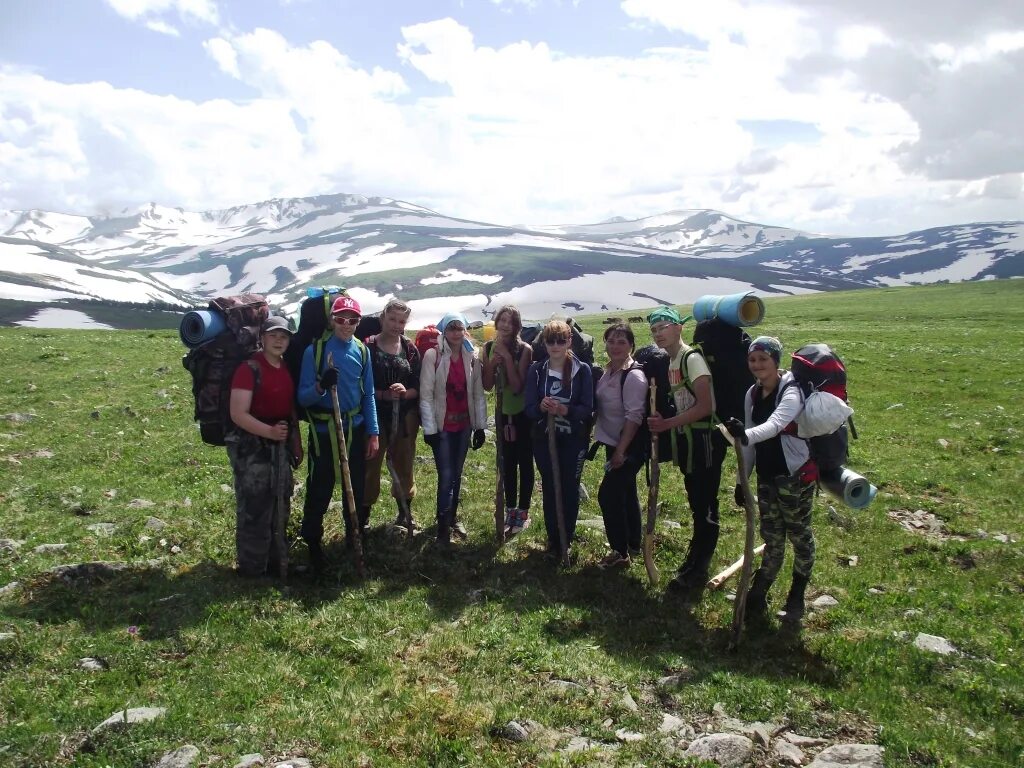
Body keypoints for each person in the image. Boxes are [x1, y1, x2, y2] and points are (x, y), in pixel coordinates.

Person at [725, 336, 816, 624]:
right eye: (753, 360)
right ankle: (758, 593)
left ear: (776, 361)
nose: (757, 365)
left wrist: (743, 435)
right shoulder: (752, 393)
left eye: (763, 359)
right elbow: (749, 441)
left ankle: (796, 598)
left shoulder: (792, 391)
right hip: (768, 475)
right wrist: (743, 481)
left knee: (800, 535)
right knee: (772, 536)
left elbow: (776, 424)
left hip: (794, 475)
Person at [646, 306, 727, 596]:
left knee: (705, 502)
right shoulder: (672, 361)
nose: (658, 333)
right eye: (654, 329)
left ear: (679, 327)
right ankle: (696, 559)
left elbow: (706, 407)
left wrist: (667, 423)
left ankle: (700, 565)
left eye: (664, 326)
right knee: (696, 499)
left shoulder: (691, 359)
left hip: (705, 441)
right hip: (690, 441)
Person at [297, 295, 379, 574]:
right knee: (320, 486)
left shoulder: (362, 351)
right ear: (332, 320)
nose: (346, 324)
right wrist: (321, 385)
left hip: (354, 430)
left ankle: (352, 536)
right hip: (323, 432)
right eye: (341, 319)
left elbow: (368, 394)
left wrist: (373, 431)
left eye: (352, 320)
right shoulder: (316, 352)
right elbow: (303, 397)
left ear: (358, 322)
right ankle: (312, 542)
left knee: (354, 486)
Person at [226, 316, 303, 577]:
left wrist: (295, 442)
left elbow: (290, 409)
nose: (279, 340)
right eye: (273, 335)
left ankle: (277, 562)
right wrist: (268, 431)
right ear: (262, 338)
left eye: (283, 336)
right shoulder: (248, 369)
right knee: (255, 505)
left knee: (281, 502)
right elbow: (238, 413)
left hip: (279, 442)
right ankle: (252, 569)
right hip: (251, 445)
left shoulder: (285, 367)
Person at [525, 319, 594, 562]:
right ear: (544, 343)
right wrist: (541, 407)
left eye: (560, 340)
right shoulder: (537, 370)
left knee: (570, 487)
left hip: (574, 438)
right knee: (551, 486)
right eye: (550, 341)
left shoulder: (581, 369)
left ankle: (568, 536)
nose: (555, 345)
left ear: (569, 341)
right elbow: (529, 409)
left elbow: (588, 407)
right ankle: (554, 539)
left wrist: (567, 412)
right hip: (544, 438)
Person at [419, 312, 487, 544]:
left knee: (456, 474)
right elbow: (426, 395)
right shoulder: (433, 355)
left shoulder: (471, 356)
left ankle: (451, 518)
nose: (456, 333)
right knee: (446, 475)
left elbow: (477, 394)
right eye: (452, 328)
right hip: (443, 427)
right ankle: (442, 528)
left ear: (465, 330)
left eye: (460, 328)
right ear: (444, 331)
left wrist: (479, 426)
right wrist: (430, 430)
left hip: (464, 424)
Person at [362, 299, 421, 530]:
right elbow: (360, 386)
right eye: (393, 319)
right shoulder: (368, 347)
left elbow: (418, 384)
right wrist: (383, 395)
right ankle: (364, 515)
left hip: (405, 417)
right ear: (382, 318)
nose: (397, 325)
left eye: (402, 321)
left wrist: (406, 393)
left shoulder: (410, 349)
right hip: (374, 416)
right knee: (371, 464)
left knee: (404, 462)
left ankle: (405, 513)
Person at [593, 323, 647, 569]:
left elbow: (634, 416)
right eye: (611, 341)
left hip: (628, 447)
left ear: (631, 346)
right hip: (614, 442)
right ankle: (633, 544)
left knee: (608, 495)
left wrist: (621, 451)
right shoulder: (610, 371)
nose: (615, 346)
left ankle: (619, 552)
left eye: (621, 342)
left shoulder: (633, 375)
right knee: (626, 493)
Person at [482, 305, 534, 535]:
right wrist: (493, 363)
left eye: (509, 322)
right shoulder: (488, 347)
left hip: (523, 415)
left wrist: (508, 358)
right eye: (501, 320)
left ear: (516, 326)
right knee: (507, 462)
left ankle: (523, 512)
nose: (504, 325)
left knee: (524, 462)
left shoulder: (525, 350)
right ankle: (510, 509)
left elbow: (517, 386)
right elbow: (487, 385)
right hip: (502, 415)